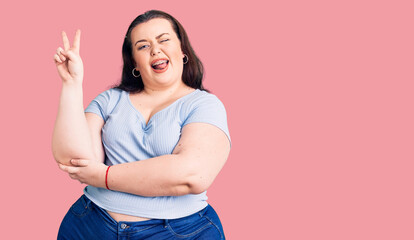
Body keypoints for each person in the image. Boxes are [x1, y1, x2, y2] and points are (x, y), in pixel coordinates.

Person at [52, 10, 231, 239]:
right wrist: (72, 85)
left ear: (183, 50)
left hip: (179, 232)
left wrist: (102, 176)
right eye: (142, 46)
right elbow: (73, 160)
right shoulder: (110, 99)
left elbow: (192, 175)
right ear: (134, 62)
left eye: (164, 39)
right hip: (90, 225)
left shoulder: (204, 104)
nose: (155, 49)